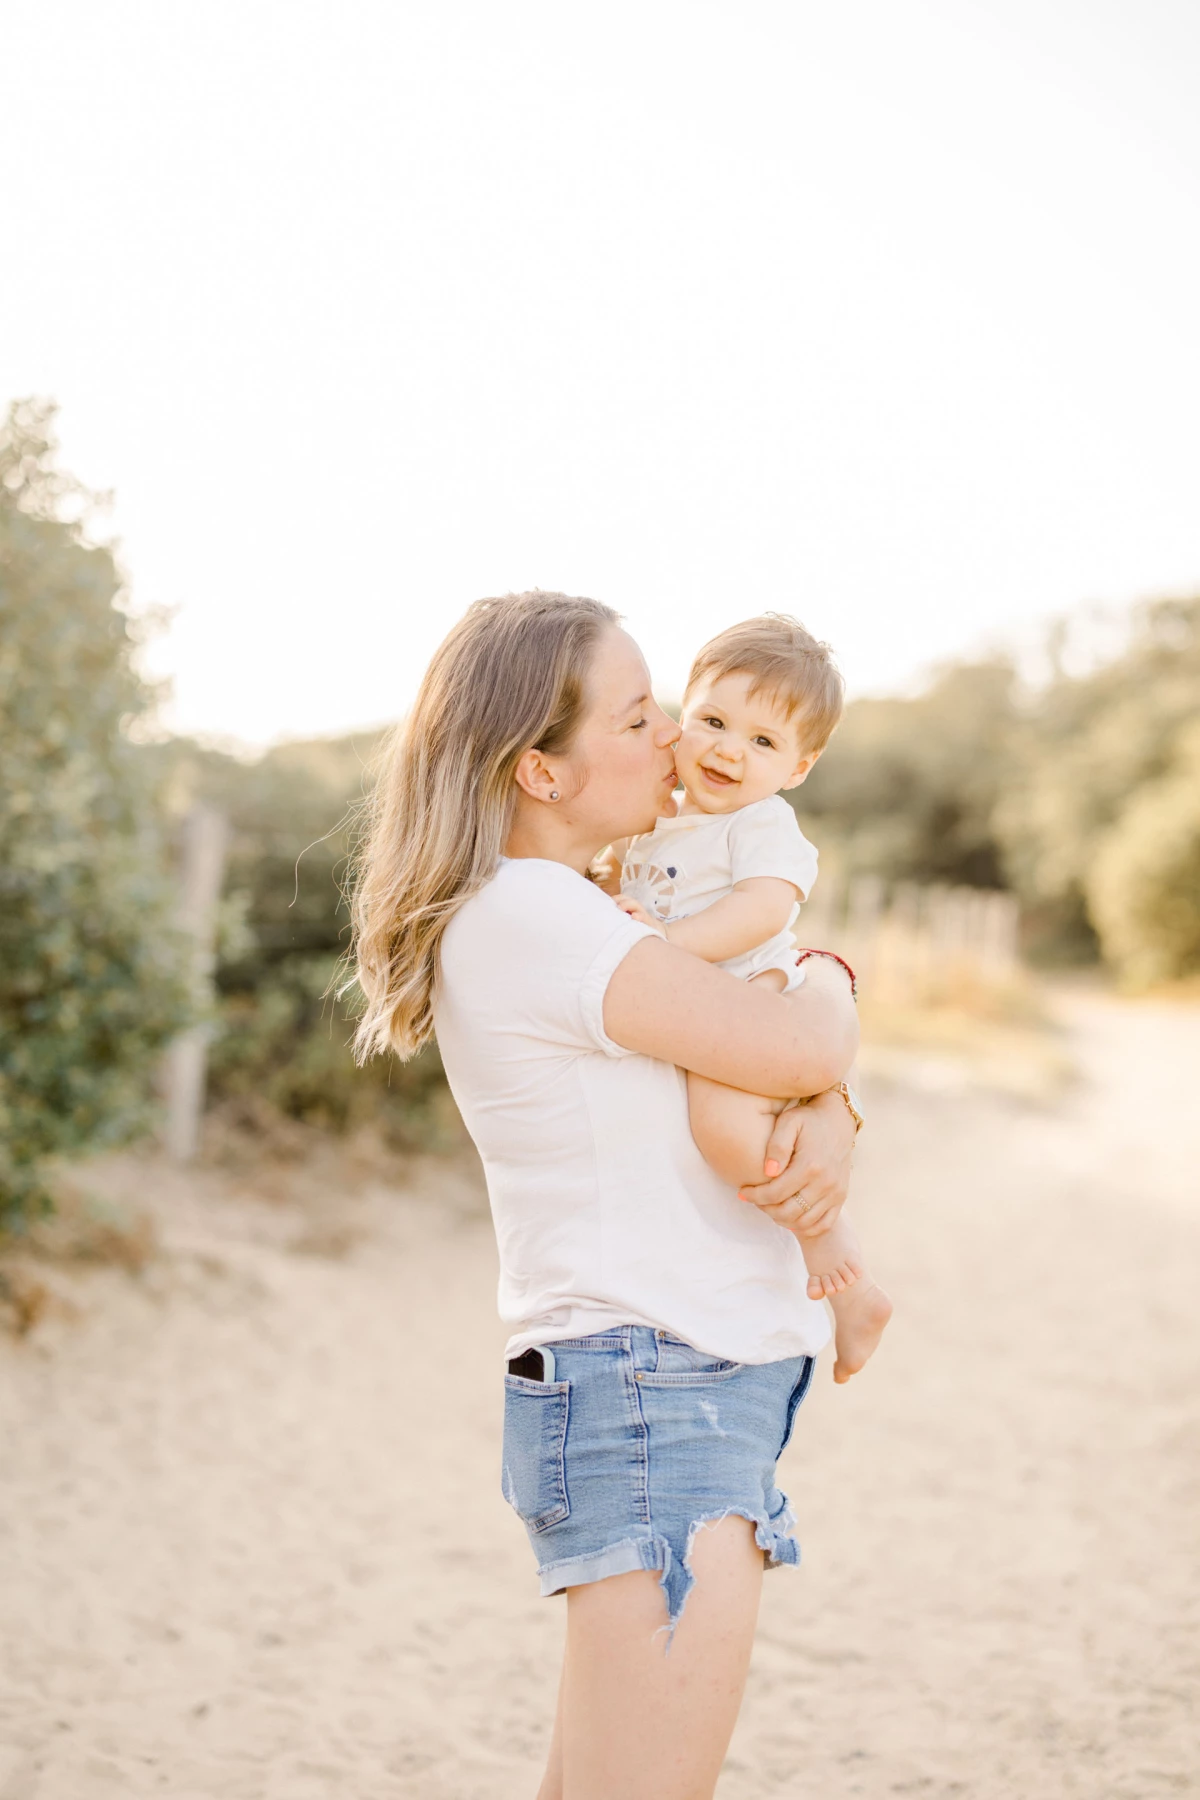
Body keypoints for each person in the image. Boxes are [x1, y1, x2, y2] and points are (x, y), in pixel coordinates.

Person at [350, 591, 861, 1800]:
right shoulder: (540, 915)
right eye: (639, 718)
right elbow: (797, 1048)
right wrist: (836, 979)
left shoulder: (578, 913)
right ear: (543, 767)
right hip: (656, 1387)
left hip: (663, 1384)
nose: (674, 742)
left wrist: (831, 1102)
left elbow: (763, 1064)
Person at [603, 613, 892, 1383]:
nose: (731, 750)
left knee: (726, 1128)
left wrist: (667, 947)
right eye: (715, 722)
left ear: (799, 767)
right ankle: (846, 1277)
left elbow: (765, 910)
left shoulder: (763, 823)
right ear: (681, 717)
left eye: (764, 742)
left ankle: (842, 1269)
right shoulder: (657, 819)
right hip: (700, 994)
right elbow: (627, 888)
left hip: (749, 993)